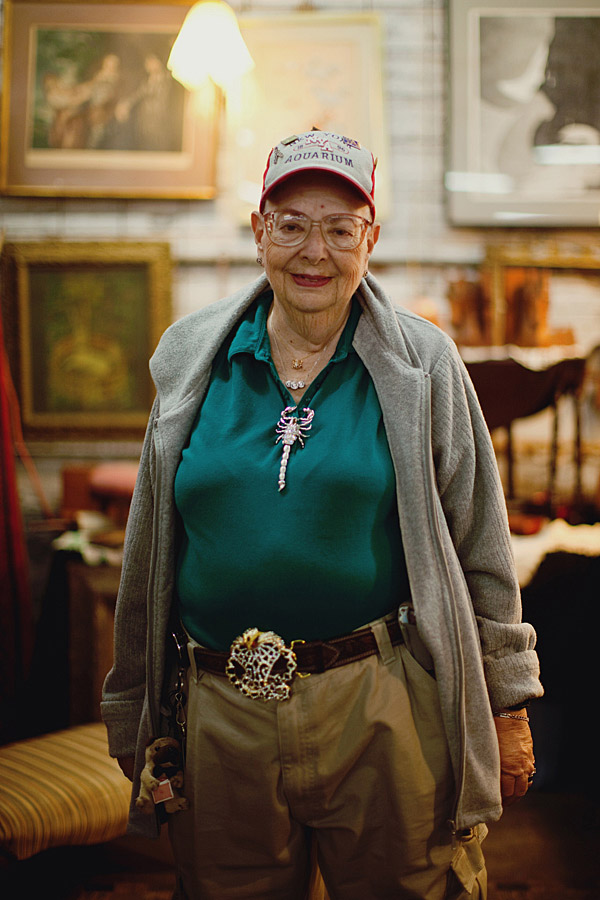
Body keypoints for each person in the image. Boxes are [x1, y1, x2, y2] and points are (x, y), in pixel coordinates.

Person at [101, 129, 542, 900]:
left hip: (379, 702)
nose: (315, 251)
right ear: (260, 231)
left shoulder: (423, 363)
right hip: (220, 708)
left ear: (370, 239)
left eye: (340, 229)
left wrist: (508, 703)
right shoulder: (192, 356)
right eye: (293, 224)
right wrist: (133, 702)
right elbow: (148, 545)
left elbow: (481, 541)